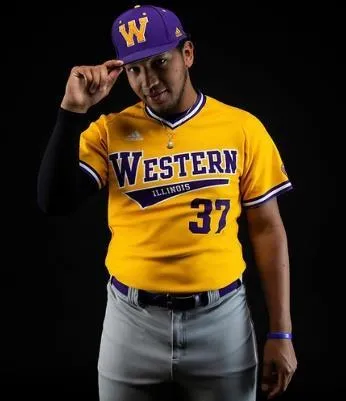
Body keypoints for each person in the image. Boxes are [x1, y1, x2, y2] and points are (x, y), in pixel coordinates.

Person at [37, 4, 297, 401]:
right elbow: (53, 202)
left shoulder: (242, 127)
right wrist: (71, 113)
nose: (148, 80)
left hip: (221, 320)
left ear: (187, 54)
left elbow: (266, 228)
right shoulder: (111, 130)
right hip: (131, 320)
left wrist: (281, 332)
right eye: (134, 69)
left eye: (160, 62)